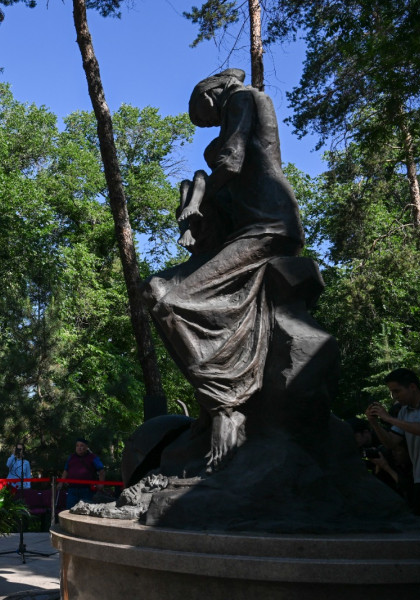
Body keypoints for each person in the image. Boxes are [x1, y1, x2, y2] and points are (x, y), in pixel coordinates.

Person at [144, 68, 305, 471]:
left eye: (208, 116)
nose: (213, 123)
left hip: (267, 228)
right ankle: (214, 403)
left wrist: (198, 200)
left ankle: (225, 405)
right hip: (249, 229)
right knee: (156, 292)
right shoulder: (245, 103)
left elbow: (231, 160)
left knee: (169, 301)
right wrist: (196, 203)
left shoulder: (242, 98)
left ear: (213, 94)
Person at [367, 368, 420, 517]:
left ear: (412, 387)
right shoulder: (403, 411)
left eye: (397, 391)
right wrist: (374, 423)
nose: (395, 396)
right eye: (392, 392)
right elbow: (390, 443)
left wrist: (388, 418)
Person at [60, 438, 105, 509]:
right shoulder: (71, 457)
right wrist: (61, 482)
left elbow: (101, 470)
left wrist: (101, 483)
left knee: (86, 511)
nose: (79, 448)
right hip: (72, 490)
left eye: (81, 446)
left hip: (87, 490)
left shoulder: (93, 457)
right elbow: (66, 471)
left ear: (86, 447)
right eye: (77, 446)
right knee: (69, 511)